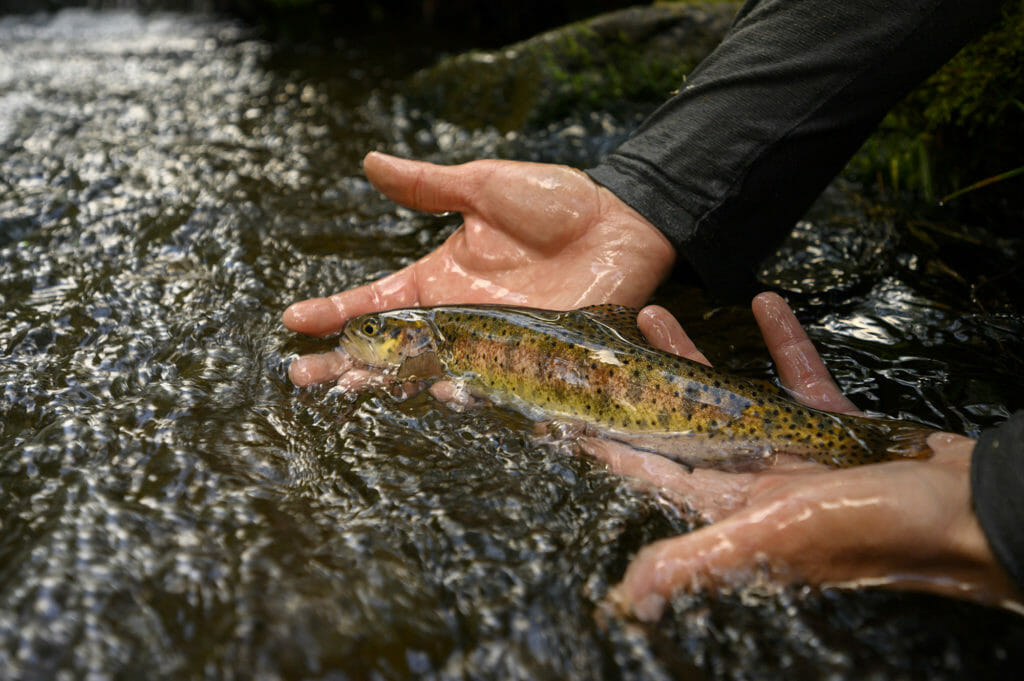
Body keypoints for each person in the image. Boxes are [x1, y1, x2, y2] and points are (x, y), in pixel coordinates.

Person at [282, 0, 1023, 617]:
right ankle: (852, 440)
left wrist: (993, 503)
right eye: (377, 336)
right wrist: (653, 192)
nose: (370, 339)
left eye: (378, 334)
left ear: (413, 339)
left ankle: (846, 441)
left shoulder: (444, 337)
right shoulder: (448, 337)